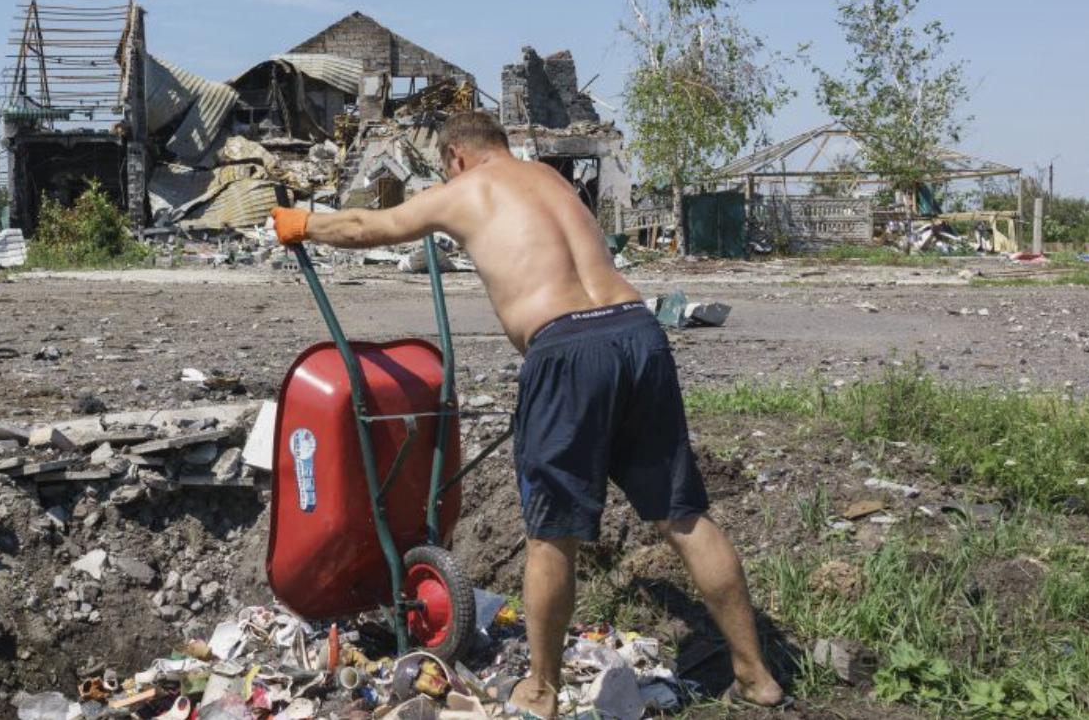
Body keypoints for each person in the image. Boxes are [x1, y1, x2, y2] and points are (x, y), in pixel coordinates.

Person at [269, 111, 785, 718]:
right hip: (637, 332)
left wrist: (304, 223)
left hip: (567, 348)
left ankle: (540, 689)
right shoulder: (548, 177)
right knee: (682, 516)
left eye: (444, 165)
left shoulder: (466, 188)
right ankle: (756, 677)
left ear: (457, 156)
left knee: (551, 532)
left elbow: (368, 225)